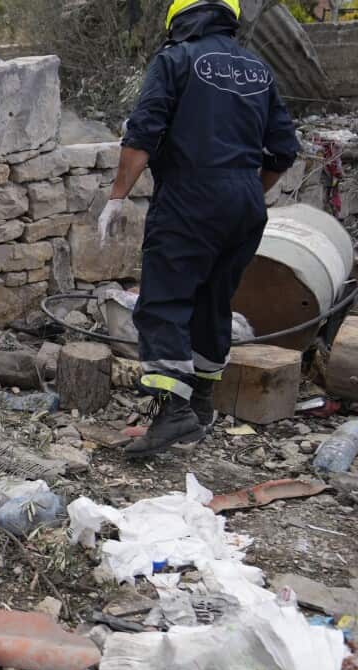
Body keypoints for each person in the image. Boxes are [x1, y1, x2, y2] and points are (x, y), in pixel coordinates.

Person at [101, 0, 298, 458]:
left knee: (164, 301)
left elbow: (143, 133)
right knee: (213, 301)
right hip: (245, 201)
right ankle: (201, 406)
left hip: (190, 197)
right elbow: (284, 148)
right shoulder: (257, 68)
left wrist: (117, 196)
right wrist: (247, 191)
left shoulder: (175, 60)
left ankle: (173, 412)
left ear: (181, 19)